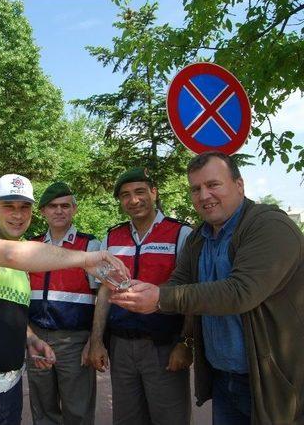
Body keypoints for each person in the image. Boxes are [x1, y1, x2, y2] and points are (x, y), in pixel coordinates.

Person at [109, 151, 304, 425]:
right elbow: (180, 283)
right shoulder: (200, 236)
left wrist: (159, 298)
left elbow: (240, 292)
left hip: (271, 382)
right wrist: (143, 291)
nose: (204, 196)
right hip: (224, 380)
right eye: (196, 189)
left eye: (213, 185)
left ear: (239, 184)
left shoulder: (269, 225)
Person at [0, 174, 128, 425]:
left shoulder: (24, 256)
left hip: (9, 392)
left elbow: (6, 308)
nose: (17, 215)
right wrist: (87, 258)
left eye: (24, 207)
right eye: (8, 206)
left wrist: (30, 338)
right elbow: (11, 254)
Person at [89, 167, 194, 425]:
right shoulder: (111, 237)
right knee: (127, 420)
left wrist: (186, 343)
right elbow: (104, 292)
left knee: (170, 419)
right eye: (125, 195)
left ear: (154, 193)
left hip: (164, 347)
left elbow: (192, 294)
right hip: (122, 348)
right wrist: (96, 341)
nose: (133, 200)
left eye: (139, 192)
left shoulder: (181, 234)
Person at [27, 181, 101, 425]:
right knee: (43, 409)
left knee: (77, 411)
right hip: (37, 338)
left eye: (65, 206)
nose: (59, 211)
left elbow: (103, 296)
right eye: (53, 206)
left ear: (74, 209)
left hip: (74, 341)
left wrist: (95, 340)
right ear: (43, 212)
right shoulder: (31, 246)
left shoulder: (90, 246)